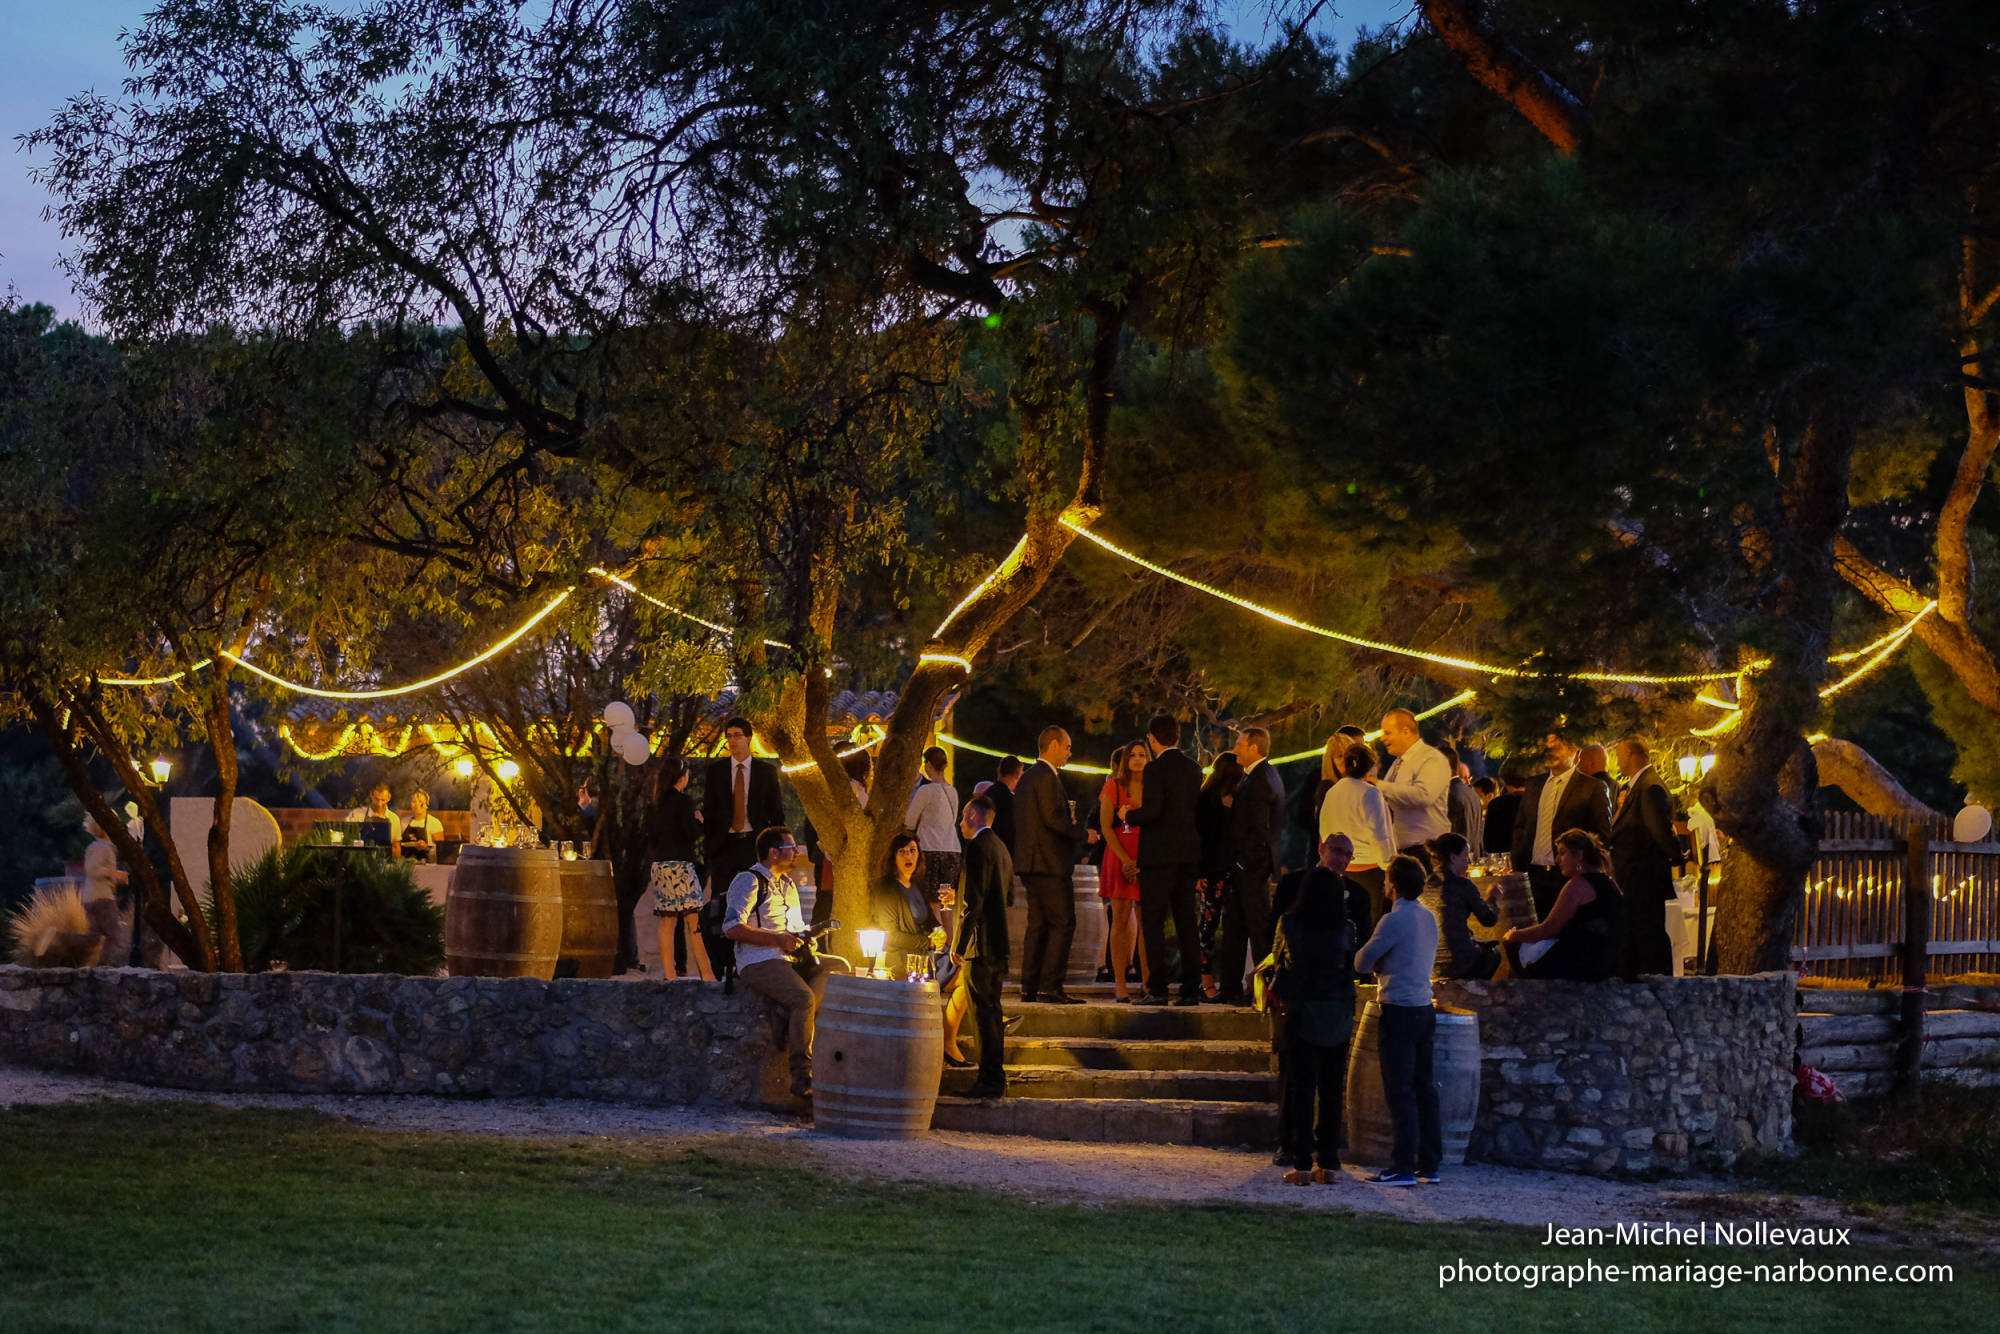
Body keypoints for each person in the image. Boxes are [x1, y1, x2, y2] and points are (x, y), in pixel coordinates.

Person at [724, 826, 848, 1100]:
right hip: (759, 960)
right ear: (773, 852)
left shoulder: (788, 885)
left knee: (839, 966)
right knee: (803, 998)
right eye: (791, 847)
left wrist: (806, 938)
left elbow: (793, 928)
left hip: (789, 957)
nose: (797, 852)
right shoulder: (749, 880)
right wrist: (777, 940)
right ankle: (802, 1075)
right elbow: (732, 928)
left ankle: (789, 1017)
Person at [1270, 842, 1360, 1186]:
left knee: (1303, 1089)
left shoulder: (1291, 924)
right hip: (1337, 1012)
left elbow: (1281, 962)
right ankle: (1330, 1162)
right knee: (1332, 1089)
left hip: (1303, 1012)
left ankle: (1302, 1163)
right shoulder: (1346, 929)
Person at [1355, 855, 1442, 1187]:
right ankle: (1429, 1163)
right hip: (1424, 1007)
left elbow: (1363, 962)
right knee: (1425, 1087)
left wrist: (1380, 962)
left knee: (1400, 1089)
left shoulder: (1393, 920)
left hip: (1399, 1008)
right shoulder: (1428, 917)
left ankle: (1402, 1166)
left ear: (1393, 884)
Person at [1126, 714, 1206, 1007]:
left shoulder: (1155, 769)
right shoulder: (1193, 769)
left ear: (1152, 739)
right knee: (1187, 922)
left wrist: (1128, 816)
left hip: (1159, 856)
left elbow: (1153, 811)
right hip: (1187, 855)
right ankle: (1190, 987)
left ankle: (1157, 988)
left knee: (1154, 923)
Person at [1013, 726, 1087, 1004]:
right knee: (1063, 922)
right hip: (1048, 863)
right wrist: (1083, 834)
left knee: (1039, 925)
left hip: (1032, 862)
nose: (1069, 753)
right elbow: (1052, 820)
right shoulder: (1045, 776)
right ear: (1053, 745)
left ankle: (1029, 986)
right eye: (1067, 747)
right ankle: (1050, 986)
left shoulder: (1029, 777)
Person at [1511, 731, 1614, 918]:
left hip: (1569, 878)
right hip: (1533, 876)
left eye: (1556, 747)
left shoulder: (1592, 787)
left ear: (1575, 750)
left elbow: (1602, 836)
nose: (1550, 752)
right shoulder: (1534, 785)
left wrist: (1585, 871)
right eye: (1547, 748)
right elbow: (1521, 826)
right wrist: (1518, 860)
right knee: (1538, 937)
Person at [1216, 726, 1283, 1005]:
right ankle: (1231, 987)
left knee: (1257, 930)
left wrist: (1245, 863)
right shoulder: (1260, 776)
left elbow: (1258, 828)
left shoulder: (1259, 780)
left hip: (1251, 868)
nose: (1235, 749)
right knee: (1235, 927)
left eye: (1240, 745)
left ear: (1254, 748)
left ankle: (1265, 991)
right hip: (1247, 867)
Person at [1505, 828, 1627, 981]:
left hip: (1585, 962)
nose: (1557, 859)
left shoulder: (1577, 885)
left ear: (1579, 855)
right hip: (1610, 958)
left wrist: (1513, 935)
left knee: (1514, 946)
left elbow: (1547, 930)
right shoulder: (1609, 882)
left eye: (1563, 853)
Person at [955, 794, 1014, 1098]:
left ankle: (987, 1080)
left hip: (980, 945)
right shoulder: (1002, 848)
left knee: (982, 1015)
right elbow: (1009, 897)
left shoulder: (977, 847)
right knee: (993, 1011)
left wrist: (959, 945)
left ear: (975, 816)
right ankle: (996, 1076)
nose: (961, 823)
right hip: (1000, 943)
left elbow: (972, 902)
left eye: (964, 816)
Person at [1611, 738, 1684, 978]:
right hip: (1633, 878)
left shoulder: (1650, 787)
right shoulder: (1638, 785)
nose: (1618, 761)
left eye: (1619, 755)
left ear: (1631, 754)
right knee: (1635, 934)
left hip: (1643, 878)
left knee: (1650, 934)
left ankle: (1658, 982)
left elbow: (1659, 829)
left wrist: (1676, 856)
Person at [702, 717, 786, 899]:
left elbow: (776, 811)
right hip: (724, 843)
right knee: (722, 899)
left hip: (754, 842)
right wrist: (710, 841)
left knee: (757, 896)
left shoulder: (765, 771)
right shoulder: (717, 771)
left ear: (748, 738)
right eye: (729, 736)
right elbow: (709, 808)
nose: (732, 741)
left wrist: (776, 845)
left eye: (737, 736)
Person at [646, 757, 712, 980]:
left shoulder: (654, 804)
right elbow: (691, 834)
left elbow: (652, 838)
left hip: (660, 866)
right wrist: (699, 822)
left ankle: (670, 975)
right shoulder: (684, 802)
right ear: (682, 776)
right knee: (694, 922)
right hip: (681, 866)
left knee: (667, 923)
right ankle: (707, 974)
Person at [1320, 740, 1395, 931]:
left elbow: (1324, 831)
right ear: (1370, 768)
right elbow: (1380, 835)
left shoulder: (1332, 792)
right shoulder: (1370, 793)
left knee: (1341, 924)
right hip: (1367, 871)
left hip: (1338, 868)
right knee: (1366, 928)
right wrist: (1389, 866)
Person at [1096, 741, 1148, 1002]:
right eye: (1133, 755)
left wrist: (1141, 861)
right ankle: (1121, 984)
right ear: (1125, 759)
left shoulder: (1153, 787)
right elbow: (1106, 827)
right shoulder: (1113, 786)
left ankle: (1148, 982)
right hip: (1119, 856)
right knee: (1121, 919)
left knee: (1147, 921)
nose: (1137, 759)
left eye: (1142, 755)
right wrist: (1127, 860)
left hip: (1147, 857)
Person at [1373, 710, 1450, 873]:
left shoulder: (1431, 759)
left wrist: (1378, 785)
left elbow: (1424, 796)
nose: (1382, 738)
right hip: (1404, 853)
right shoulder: (1397, 764)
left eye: (1387, 733)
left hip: (1427, 852)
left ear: (1406, 732)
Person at [1194, 752, 1243, 1000]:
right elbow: (1201, 838)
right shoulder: (1207, 799)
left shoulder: (1238, 798)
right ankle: (1205, 980)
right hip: (1212, 870)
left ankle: (1229, 980)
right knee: (1207, 927)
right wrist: (1198, 873)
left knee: (1232, 927)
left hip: (1232, 870)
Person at [1428, 831, 1499, 980]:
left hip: (1428, 964)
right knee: (1494, 953)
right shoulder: (1462, 885)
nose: (1469, 862)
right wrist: (1492, 899)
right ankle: (1473, 990)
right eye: (1465, 856)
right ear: (1453, 858)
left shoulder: (1424, 886)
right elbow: (1488, 920)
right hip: (1460, 963)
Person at [79, 814, 130, 962]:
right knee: (115, 937)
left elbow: (98, 871)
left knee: (93, 939)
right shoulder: (104, 848)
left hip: (90, 898)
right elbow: (92, 869)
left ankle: (58, 937)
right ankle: (103, 971)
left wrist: (117, 877)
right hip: (102, 898)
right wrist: (113, 873)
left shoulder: (96, 847)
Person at [1437, 743, 1484, 856]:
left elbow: (1452, 832)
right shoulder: (1472, 793)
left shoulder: (1450, 794)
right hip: (1474, 858)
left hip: (1458, 859)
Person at [1482, 766, 1526, 857]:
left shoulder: (1496, 804)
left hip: (1501, 858)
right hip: (1528, 856)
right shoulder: (1535, 801)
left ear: (1504, 781)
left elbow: (1487, 840)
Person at [989, 755, 1022, 852]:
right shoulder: (1012, 801)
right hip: (1005, 852)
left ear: (999, 771)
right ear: (1017, 775)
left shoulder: (987, 794)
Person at [401, 789, 445, 861]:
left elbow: (441, 850)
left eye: (421, 802)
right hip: (406, 865)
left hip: (427, 865)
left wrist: (426, 847)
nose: (417, 805)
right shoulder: (403, 822)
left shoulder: (434, 823)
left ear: (426, 805)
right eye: (414, 802)